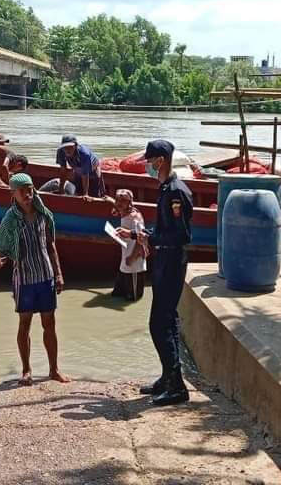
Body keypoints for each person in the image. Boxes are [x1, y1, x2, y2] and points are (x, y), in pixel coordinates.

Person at [116, 140, 192, 406]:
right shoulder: (165, 189)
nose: (147, 166)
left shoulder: (174, 192)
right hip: (163, 259)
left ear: (160, 160)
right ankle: (168, 378)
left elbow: (181, 234)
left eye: (149, 161)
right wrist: (145, 236)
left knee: (162, 323)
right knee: (161, 321)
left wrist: (140, 235)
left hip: (171, 260)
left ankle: (177, 386)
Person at [0, 173, 71, 386]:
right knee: (24, 323)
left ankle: (54, 369)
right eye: (22, 190)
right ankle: (26, 371)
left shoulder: (44, 214)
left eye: (30, 189)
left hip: (45, 275)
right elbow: (3, 248)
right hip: (24, 278)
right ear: (13, 194)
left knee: (49, 323)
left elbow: (51, 246)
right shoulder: (10, 219)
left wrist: (59, 274)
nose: (27, 194)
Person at [97, 189, 147, 301]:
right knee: (116, 295)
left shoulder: (135, 217)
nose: (119, 203)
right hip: (124, 262)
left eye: (123, 200)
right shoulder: (123, 211)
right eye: (117, 199)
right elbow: (118, 206)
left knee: (132, 298)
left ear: (130, 203)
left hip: (134, 263)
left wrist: (132, 257)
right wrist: (110, 200)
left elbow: (142, 237)